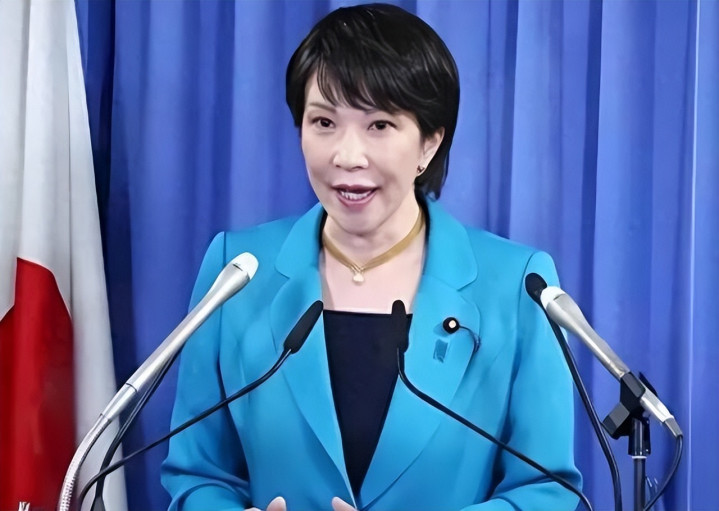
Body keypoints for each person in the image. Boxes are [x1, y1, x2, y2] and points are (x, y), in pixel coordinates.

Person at [161, 4, 581, 511]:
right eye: (323, 122)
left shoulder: (517, 286)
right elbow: (197, 472)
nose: (347, 156)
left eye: (379, 125)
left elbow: (544, 490)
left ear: (429, 142)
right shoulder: (239, 270)